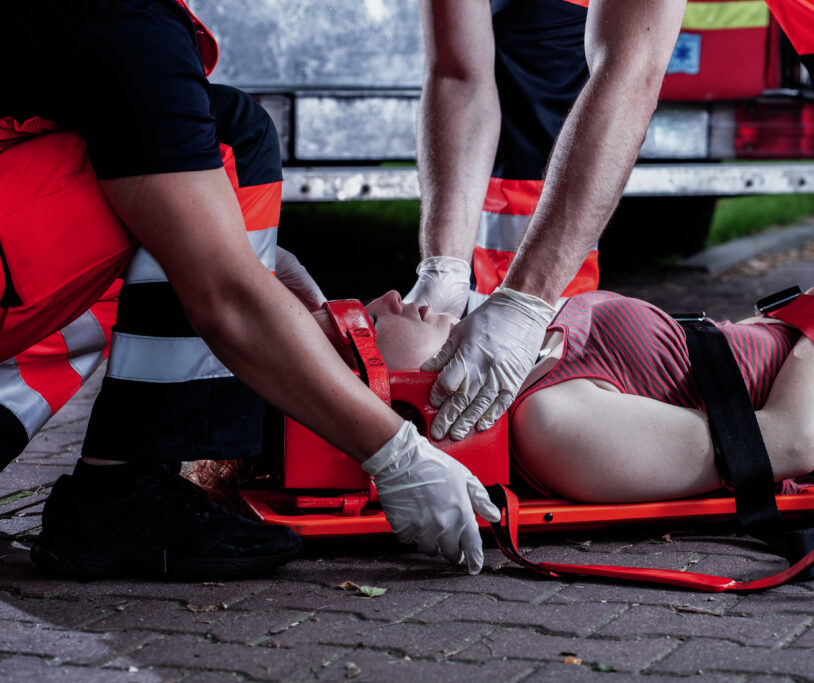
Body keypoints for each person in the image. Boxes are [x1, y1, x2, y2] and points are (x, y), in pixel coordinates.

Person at [0, 0, 498, 580]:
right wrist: (395, 453)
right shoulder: (127, 19)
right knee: (223, 151)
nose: (395, 299)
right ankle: (121, 496)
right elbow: (227, 297)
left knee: (200, 174)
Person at [405, 0, 814, 444]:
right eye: (364, 331)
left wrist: (523, 304)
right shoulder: (570, 436)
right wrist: (444, 268)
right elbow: (459, 76)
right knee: (530, 88)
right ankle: (526, 367)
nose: (381, 300)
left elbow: (632, 66)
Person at [374, 232, 814, 503]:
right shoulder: (551, 425)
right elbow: (782, 445)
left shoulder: (518, 356)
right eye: (365, 328)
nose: (388, 300)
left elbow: (718, 362)